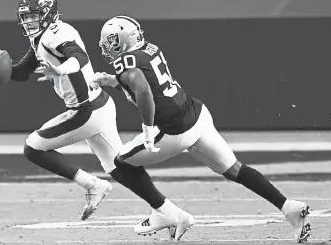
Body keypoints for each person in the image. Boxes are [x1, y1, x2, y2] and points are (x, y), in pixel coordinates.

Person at [0, 0, 192, 238]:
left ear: (48, 14)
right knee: (120, 168)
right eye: (25, 18)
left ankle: (92, 185)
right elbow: (22, 71)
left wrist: (60, 70)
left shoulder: (57, 34)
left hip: (86, 110)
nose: (28, 22)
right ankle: (170, 212)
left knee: (33, 148)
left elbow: (79, 59)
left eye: (33, 16)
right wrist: (0, 68)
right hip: (100, 105)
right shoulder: (41, 38)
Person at [90, 15, 311, 243]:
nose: (107, 46)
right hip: (196, 114)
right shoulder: (148, 49)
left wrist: (147, 129)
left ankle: (164, 211)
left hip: (174, 130)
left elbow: (144, 92)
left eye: (111, 41)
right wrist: (114, 81)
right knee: (235, 169)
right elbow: (147, 83)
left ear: (124, 40)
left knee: (121, 163)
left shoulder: (126, 64)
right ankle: (289, 208)